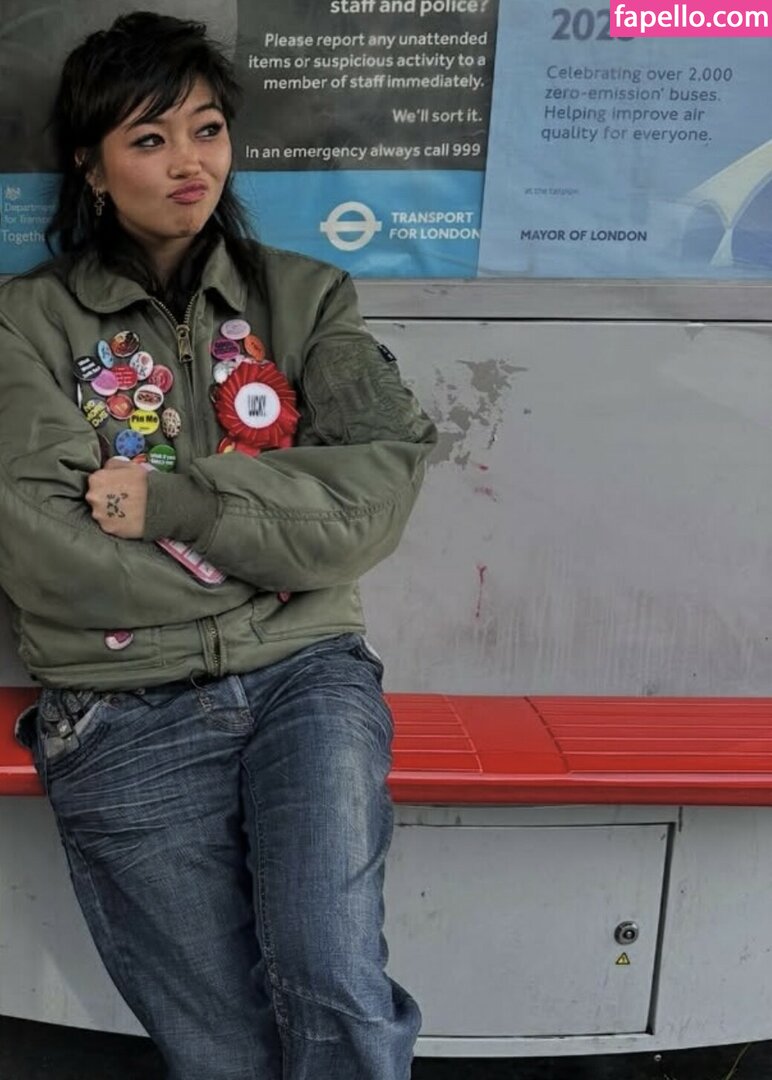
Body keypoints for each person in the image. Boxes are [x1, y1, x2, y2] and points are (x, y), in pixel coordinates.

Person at [1, 11, 435, 1080]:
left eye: (205, 129)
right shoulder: (25, 325)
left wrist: (178, 505)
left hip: (305, 679)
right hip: (118, 704)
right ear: (91, 167)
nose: (187, 162)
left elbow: (375, 496)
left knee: (336, 986)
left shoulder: (309, 298)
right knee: (221, 1049)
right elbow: (44, 550)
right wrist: (279, 564)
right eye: (149, 139)